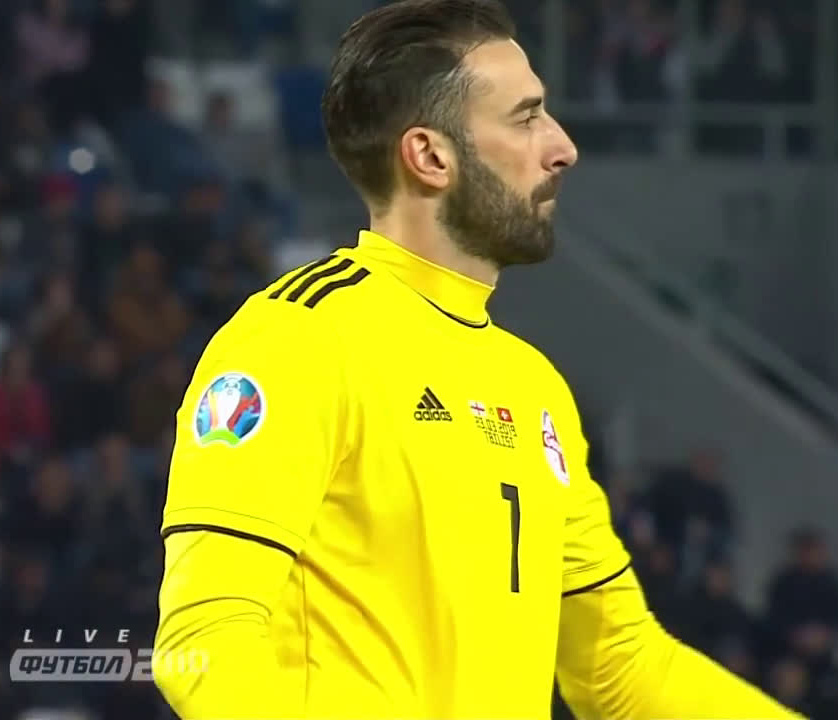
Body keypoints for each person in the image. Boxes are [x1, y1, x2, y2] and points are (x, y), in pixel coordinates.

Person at [151, 1, 795, 718]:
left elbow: (619, 666)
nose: (563, 146)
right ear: (430, 157)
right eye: (526, 118)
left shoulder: (532, 385)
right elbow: (201, 649)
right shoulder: (299, 340)